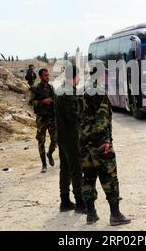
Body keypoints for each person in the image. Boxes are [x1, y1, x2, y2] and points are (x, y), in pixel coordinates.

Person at [81, 66, 131, 226]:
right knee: (110, 178)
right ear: (100, 74)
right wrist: (105, 143)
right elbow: (101, 121)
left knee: (88, 178)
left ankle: (91, 214)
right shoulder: (98, 92)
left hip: (84, 144)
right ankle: (115, 214)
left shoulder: (83, 91)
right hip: (99, 145)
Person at [54, 65, 86, 214]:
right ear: (73, 77)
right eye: (78, 76)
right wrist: (83, 130)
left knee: (65, 168)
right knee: (76, 168)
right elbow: (72, 116)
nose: (79, 79)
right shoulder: (69, 92)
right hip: (71, 136)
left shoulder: (60, 90)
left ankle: (65, 200)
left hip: (62, 135)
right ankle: (80, 202)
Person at [30, 69, 57, 173]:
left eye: (48, 75)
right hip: (41, 118)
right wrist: (42, 101)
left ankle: (49, 154)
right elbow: (31, 102)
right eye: (45, 75)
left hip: (51, 117)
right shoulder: (35, 88)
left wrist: (52, 101)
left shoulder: (51, 88)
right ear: (40, 76)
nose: (47, 77)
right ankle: (44, 164)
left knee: (55, 140)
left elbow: (56, 100)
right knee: (41, 141)